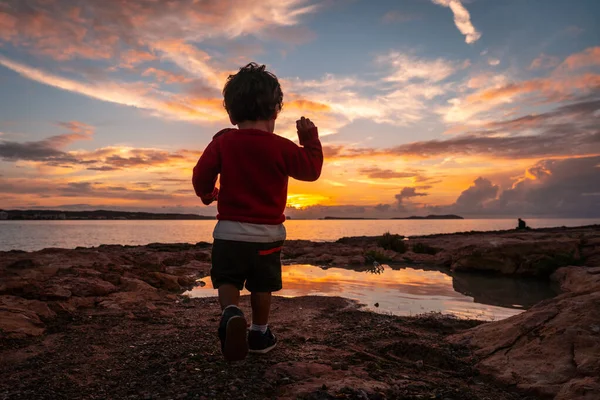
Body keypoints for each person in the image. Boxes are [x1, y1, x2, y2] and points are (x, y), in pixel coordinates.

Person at [192, 63, 323, 361]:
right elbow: (312, 171)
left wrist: (208, 194)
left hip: (228, 232)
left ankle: (230, 312)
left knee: (227, 279)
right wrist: (309, 139)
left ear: (231, 112)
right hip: (268, 236)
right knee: (262, 285)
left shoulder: (222, 142)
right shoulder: (281, 147)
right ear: (276, 110)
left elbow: (201, 176)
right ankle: (260, 333)